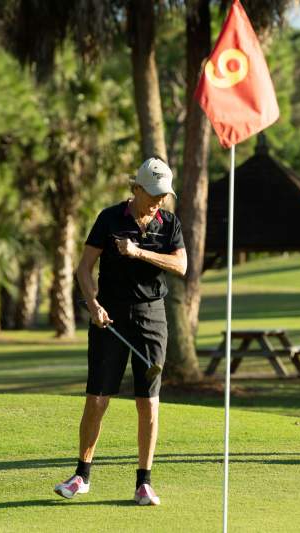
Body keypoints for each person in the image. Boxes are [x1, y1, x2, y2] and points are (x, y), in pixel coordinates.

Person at [54, 156, 187, 504]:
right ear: (137, 188)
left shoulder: (169, 222)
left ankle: (144, 482)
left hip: (152, 315)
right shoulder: (109, 218)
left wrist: (139, 252)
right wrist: (93, 303)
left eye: (164, 194)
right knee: (98, 398)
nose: (161, 199)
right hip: (109, 316)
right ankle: (81, 476)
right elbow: (84, 269)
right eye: (155, 193)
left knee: (148, 402)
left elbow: (181, 265)